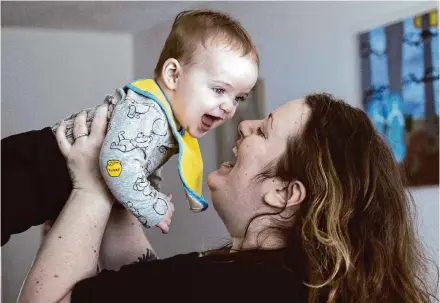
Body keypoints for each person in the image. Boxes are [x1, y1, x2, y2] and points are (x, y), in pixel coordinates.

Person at [18, 94, 437, 303]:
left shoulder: (236, 286)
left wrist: (90, 189)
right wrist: (124, 187)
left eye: (264, 130)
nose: (244, 125)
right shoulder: (289, 281)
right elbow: (145, 285)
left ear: (285, 193)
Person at [1, 9, 259, 245]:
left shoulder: (167, 123)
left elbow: (142, 160)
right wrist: (151, 205)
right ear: (173, 75)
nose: (228, 107)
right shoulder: (148, 110)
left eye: (238, 98)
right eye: (219, 90)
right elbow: (116, 162)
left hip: (43, 185)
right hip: (30, 166)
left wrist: (149, 188)